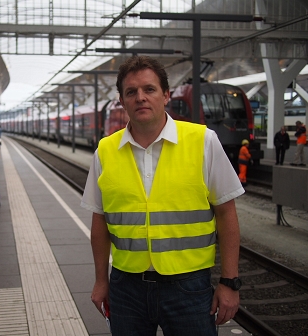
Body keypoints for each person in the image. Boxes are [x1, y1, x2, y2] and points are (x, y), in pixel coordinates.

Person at [81, 56, 244, 336]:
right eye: (131, 92)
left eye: (149, 89)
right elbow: (100, 221)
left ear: (166, 95)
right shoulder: (105, 152)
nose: (140, 98)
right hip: (126, 287)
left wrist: (229, 281)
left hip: (189, 289)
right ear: (122, 100)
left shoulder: (203, 141)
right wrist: (100, 280)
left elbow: (226, 213)